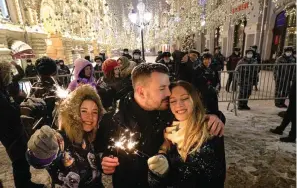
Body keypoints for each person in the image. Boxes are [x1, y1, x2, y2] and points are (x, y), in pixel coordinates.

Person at [97, 63, 225, 188]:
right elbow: (99, 150)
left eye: (168, 86)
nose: (169, 93)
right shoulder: (113, 119)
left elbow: (193, 109)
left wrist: (214, 116)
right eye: (162, 88)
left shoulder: (170, 109)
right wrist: (105, 162)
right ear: (141, 92)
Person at [148, 81, 226, 187]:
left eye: (184, 98)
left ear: (194, 99)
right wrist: (158, 170)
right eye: (173, 101)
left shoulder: (208, 129)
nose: (179, 105)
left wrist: (168, 169)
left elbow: (210, 177)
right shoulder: (169, 130)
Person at [26, 84, 105, 187]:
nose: (90, 116)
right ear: (73, 113)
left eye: (95, 112)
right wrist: (39, 148)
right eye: (84, 111)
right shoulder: (61, 140)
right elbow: (39, 158)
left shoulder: (89, 138)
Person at [0, 60, 44, 188]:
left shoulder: (3, 89)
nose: (10, 75)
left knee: (22, 159)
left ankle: (26, 182)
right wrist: (20, 104)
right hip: (9, 134)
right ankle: (23, 185)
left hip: (13, 131)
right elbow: (9, 112)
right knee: (19, 160)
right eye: (8, 72)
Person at [26, 56, 58, 128]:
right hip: (50, 123)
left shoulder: (35, 85)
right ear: (53, 72)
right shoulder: (54, 87)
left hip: (38, 124)